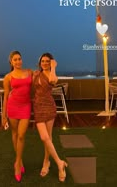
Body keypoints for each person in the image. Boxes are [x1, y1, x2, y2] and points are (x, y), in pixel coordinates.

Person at [33, 53, 67, 182]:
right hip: (38, 107)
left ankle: (46, 161)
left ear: (51, 62)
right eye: (43, 61)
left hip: (49, 107)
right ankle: (59, 162)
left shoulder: (53, 75)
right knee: (44, 137)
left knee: (48, 137)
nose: (45, 63)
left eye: (48, 61)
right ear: (40, 62)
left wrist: (53, 67)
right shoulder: (36, 74)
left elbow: (53, 80)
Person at [2, 51, 32, 182]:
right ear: (11, 62)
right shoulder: (8, 77)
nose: (18, 61)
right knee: (14, 134)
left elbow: (43, 76)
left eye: (19, 59)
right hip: (12, 106)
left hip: (26, 106)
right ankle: (20, 163)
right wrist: (3, 116)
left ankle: (17, 163)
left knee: (21, 135)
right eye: (15, 60)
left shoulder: (29, 72)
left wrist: (52, 66)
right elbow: (5, 97)